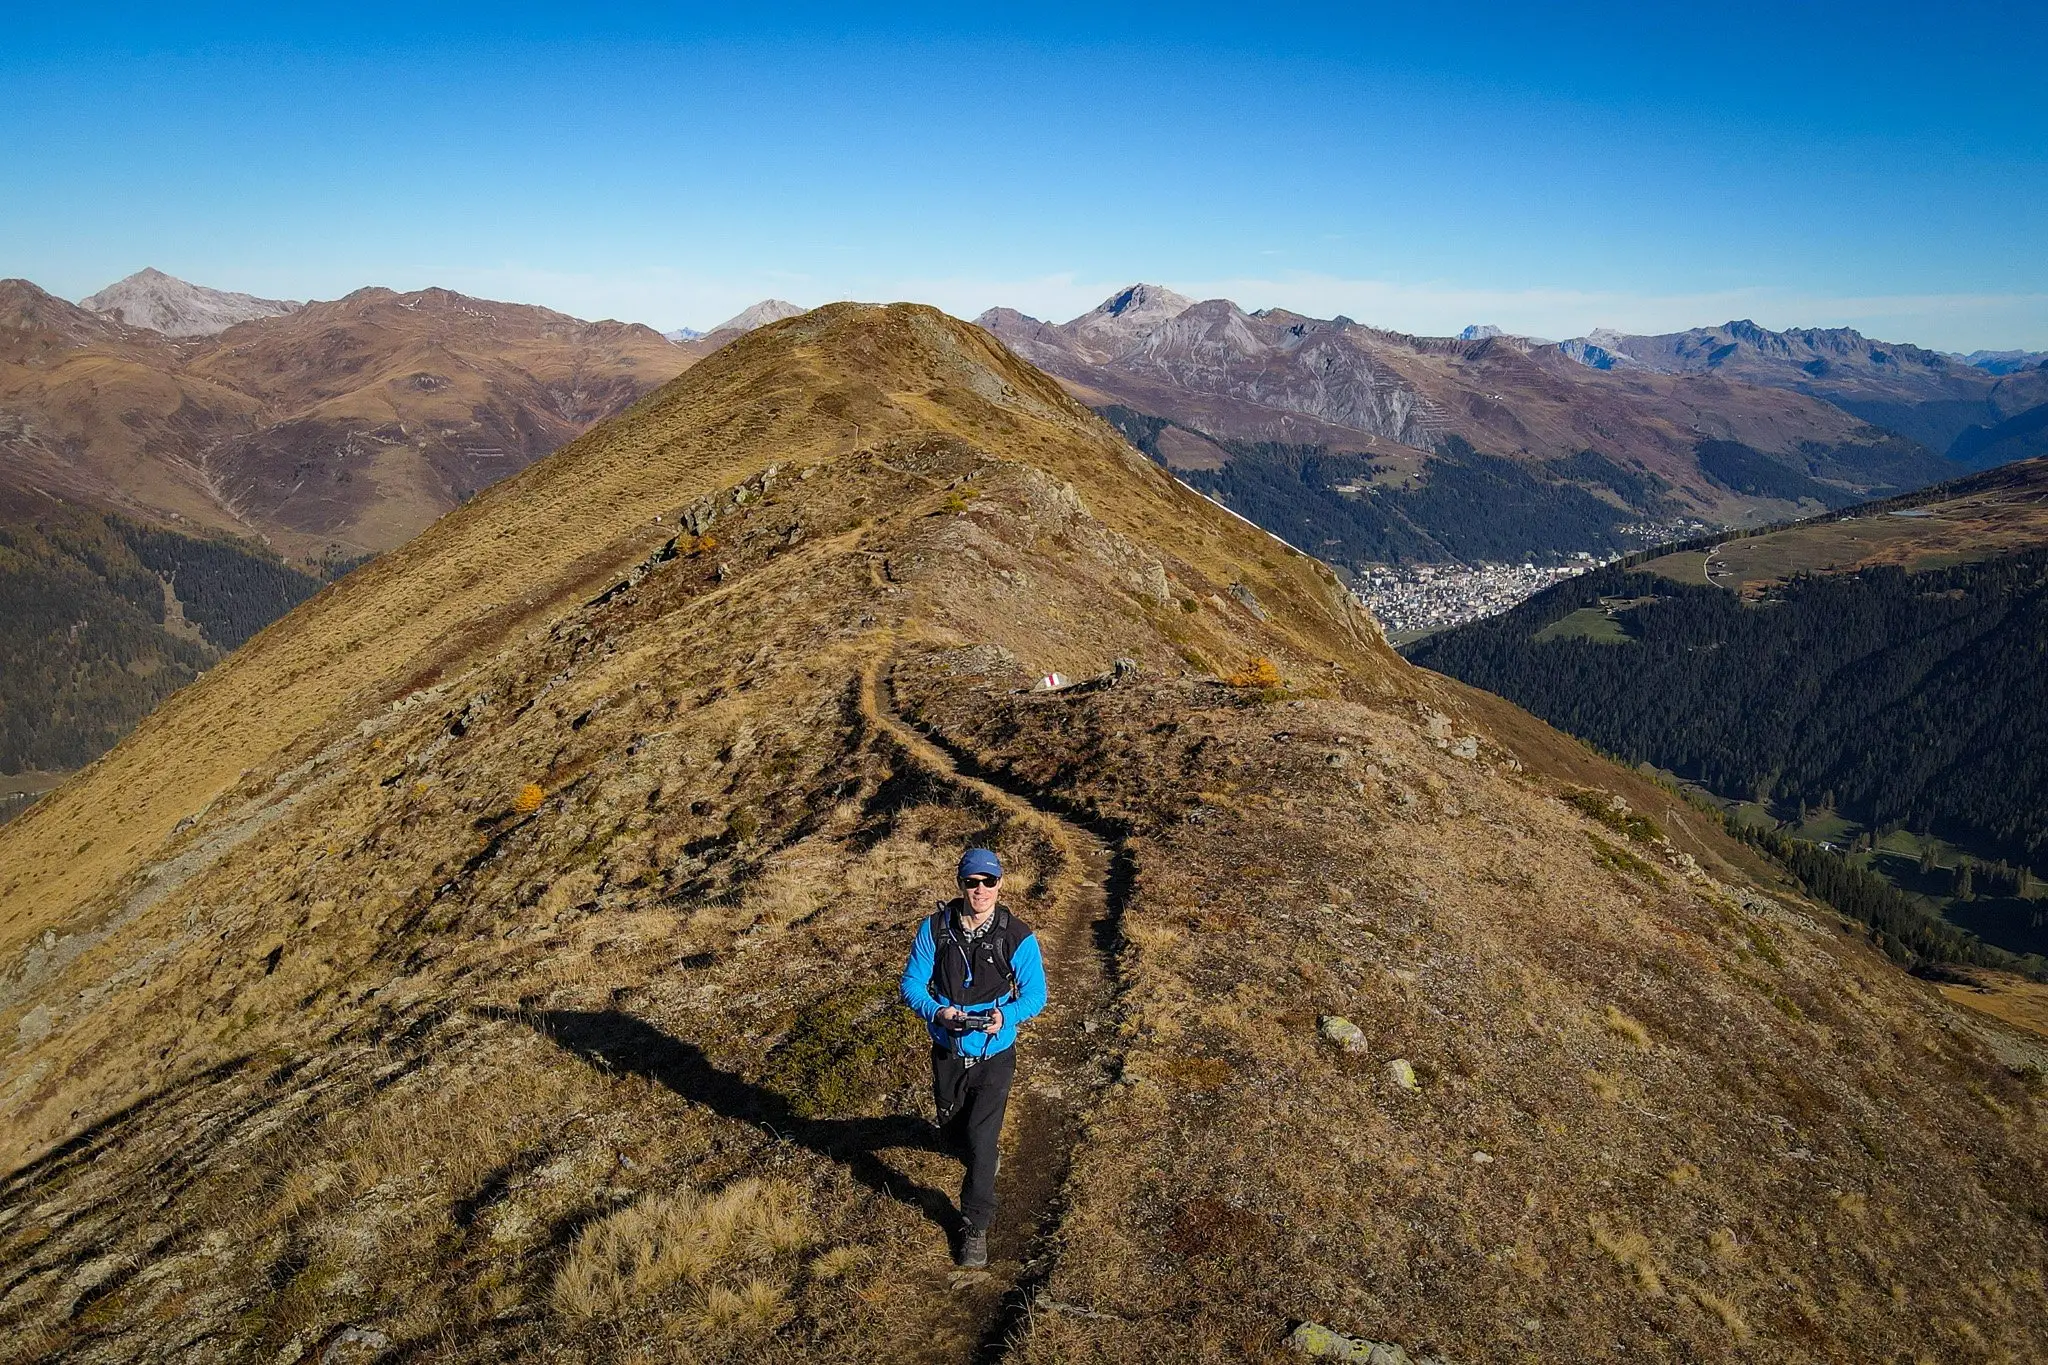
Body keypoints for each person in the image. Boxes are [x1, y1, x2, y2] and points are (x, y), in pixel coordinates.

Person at [899, 847, 1047, 1268]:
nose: (980, 890)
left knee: (982, 1145)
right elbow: (911, 984)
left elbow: (1037, 995)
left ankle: (975, 1226)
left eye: (989, 881)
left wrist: (1008, 1016)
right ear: (960, 883)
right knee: (953, 1130)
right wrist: (938, 1012)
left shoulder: (1017, 936)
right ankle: (975, 1153)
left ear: (1001, 883)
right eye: (971, 881)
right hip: (947, 1050)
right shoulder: (934, 929)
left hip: (995, 1054)